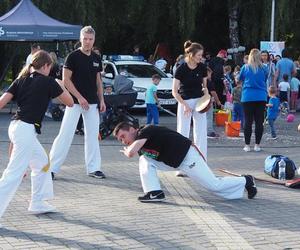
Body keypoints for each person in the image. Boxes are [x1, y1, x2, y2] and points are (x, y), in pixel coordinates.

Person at [0, 50, 73, 220]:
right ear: (46, 66)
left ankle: (37, 202)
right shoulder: (49, 82)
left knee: (42, 163)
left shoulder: (21, 79)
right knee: (12, 175)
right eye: (50, 67)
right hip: (25, 130)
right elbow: (69, 102)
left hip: (17, 127)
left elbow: (2, 102)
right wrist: (61, 84)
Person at [113, 122, 257, 202]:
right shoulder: (140, 144)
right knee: (145, 159)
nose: (123, 141)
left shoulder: (146, 130)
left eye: (123, 136)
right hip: (175, 162)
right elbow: (138, 152)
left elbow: (131, 152)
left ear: (132, 129)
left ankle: (246, 180)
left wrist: (127, 151)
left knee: (214, 186)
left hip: (188, 157)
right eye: (120, 140)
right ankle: (154, 192)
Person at [49, 26, 106, 180]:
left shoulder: (96, 58)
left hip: (93, 103)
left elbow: (98, 81)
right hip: (74, 103)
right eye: (85, 39)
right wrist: (79, 97)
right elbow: (66, 80)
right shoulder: (72, 57)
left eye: (90, 39)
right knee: (65, 135)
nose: (87, 42)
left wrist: (102, 100)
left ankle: (94, 168)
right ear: (80, 39)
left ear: (94, 40)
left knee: (93, 136)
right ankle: (51, 169)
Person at [172, 41, 208, 177]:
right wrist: (184, 104)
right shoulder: (181, 68)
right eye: (199, 55)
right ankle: (181, 165)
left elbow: (205, 87)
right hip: (184, 101)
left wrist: (207, 97)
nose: (201, 57)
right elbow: (174, 91)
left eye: (201, 55)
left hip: (200, 102)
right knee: (182, 132)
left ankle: (202, 163)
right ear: (191, 55)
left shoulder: (202, 67)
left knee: (200, 132)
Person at [239, 48, 268, 152]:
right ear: (259, 56)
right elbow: (265, 79)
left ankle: (247, 145)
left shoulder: (245, 67)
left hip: (247, 97)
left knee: (248, 121)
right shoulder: (265, 68)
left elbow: (239, 79)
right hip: (261, 96)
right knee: (259, 122)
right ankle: (257, 145)